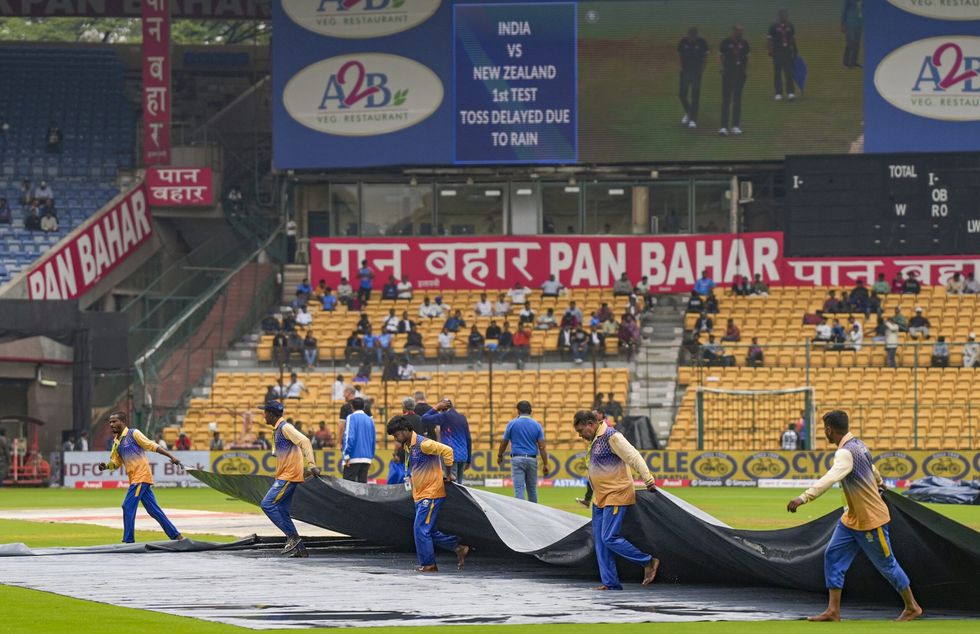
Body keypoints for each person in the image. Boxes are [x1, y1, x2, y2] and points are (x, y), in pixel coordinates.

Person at [786, 410, 922, 622]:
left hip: (871, 520)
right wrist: (880, 483)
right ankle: (833, 611)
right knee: (833, 555)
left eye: (824, 430)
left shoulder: (844, 453)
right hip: (851, 519)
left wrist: (803, 498)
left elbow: (830, 478)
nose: (824, 433)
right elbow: (873, 468)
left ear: (829, 430)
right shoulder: (859, 445)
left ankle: (912, 607)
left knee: (887, 565)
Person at [573, 410, 659, 590]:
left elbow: (633, 456)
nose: (580, 435)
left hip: (616, 493)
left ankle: (648, 561)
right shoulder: (595, 439)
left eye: (581, 431)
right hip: (600, 497)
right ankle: (610, 583)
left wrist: (648, 478)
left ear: (590, 424)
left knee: (609, 537)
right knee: (600, 542)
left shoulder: (612, 436)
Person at [386, 415, 470, 572]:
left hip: (431, 494)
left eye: (396, 435)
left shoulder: (424, 444)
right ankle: (458, 547)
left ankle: (429, 564)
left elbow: (447, 450)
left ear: (406, 430)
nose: (395, 439)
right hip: (420, 494)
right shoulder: (408, 446)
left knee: (420, 529)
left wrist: (449, 474)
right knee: (429, 530)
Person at [95, 411, 183, 544]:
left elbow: (151, 445)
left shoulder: (133, 433)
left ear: (123, 422)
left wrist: (171, 456)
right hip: (136, 479)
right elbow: (116, 463)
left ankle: (128, 541)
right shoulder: (116, 442)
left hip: (141, 477)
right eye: (110, 422)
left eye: (114, 421)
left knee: (127, 506)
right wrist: (106, 466)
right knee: (154, 511)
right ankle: (177, 536)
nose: (111, 424)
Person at [256, 401, 321, 557]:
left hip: (289, 475)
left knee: (267, 504)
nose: (263, 415)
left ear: (271, 414)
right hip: (285, 474)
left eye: (265, 412)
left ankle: (293, 538)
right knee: (282, 510)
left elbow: (304, 441)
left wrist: (312, 465)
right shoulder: (278, 429)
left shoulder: (285, 428)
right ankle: (300, 549)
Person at [497, 401, 547, 503]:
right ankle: (534, 511)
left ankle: (520, 511)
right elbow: (542, 447)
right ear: (530, 411)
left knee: (519, 489)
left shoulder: (512, 423)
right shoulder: (537, 425)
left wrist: (500, 455)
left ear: (518, 411)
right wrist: (545, 464)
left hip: (517, 458)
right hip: (532, 459)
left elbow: (504, 442)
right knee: (532, 489)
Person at [421, 399, 472, 483]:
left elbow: (424, 418)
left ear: (442, 408)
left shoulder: (444, 416)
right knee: (460, 484)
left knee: (452, 484)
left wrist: (436, 407)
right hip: (463, 455)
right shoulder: (462, 417)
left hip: (450, 454)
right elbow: (468, 438)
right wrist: (469, 459)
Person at [718, 24, 750, 135]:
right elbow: (721, 56)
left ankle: (735, 126)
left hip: (740, 74)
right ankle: (723, 126)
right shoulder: (725, 42)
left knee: (737, 100)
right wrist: (721, 67)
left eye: (742, 31)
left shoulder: (744, 43)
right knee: (726, 100)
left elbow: (747, 58)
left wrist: (746, 70)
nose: (740, 33)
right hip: (728, 73)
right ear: (734, 31)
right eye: (739, 31)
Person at [678, 26, 709, 129]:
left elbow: (705, 56)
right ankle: (689, 112)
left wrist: (702, 70)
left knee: (695, 95)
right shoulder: (683, 42)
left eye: (693, 36)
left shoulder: (702, 42)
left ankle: (693, 120)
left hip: (696, 72)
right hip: (685, 71)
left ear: (696, 35)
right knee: (682, 94)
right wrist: (680, 67)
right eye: (690, 36)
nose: (691, 38)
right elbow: (679, 55)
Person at [341, 397, 375, 483]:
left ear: (352, 407)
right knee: (362, 486)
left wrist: (346, 454)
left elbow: (349, 436)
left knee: (348, 485)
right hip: (367, 458)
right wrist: (371, 455)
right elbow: (373, 438)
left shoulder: (351, 417)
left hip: (353, 457)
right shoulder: (369, 419)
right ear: (363, 407)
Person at [767, 9, 797, 102]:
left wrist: (795, 49)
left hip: (787, 51)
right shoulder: (773, 26)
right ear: (779, 16)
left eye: (785, 15)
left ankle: (790, 92)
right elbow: (769, 39)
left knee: (788, 72)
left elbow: (793, 38)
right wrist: (770, 49)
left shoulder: (790, 26)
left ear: (787, 16)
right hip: (777, 51)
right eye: (781, 15)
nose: (783, 16)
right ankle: (778, 93)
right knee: (777, 72)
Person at [841, 0, 864, 69]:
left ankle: (854, 62)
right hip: (850, 24)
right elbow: (844, 11)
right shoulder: (849, 1)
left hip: (859, 24)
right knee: (850, 44)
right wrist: (843, 24)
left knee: (857, 44)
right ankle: (846, 63)